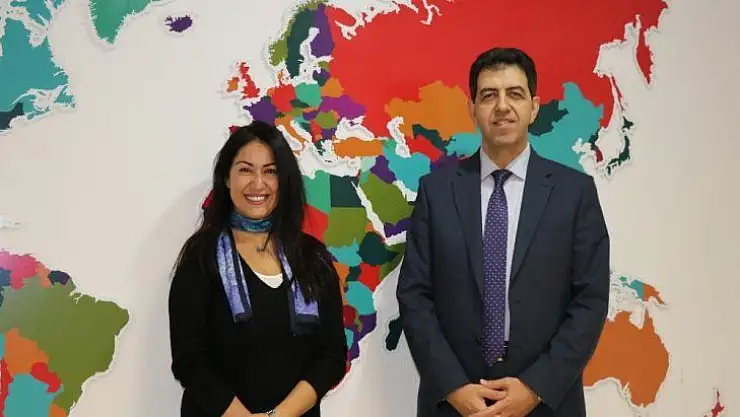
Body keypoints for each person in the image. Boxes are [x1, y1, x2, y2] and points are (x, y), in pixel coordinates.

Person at [396, 47, 610, 417]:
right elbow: (414, 294)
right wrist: (454, 387)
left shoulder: (574, 193)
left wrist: (535, 387)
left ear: (534, 106)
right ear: (472, 108)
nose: (502, 107)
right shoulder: (437, 192)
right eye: (489, 95)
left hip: (546, 403)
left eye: (515, 94)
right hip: (455, 403)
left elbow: (590, 300)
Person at [168, 121, 348, 417]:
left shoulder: (312, 257)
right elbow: (190, 359)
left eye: (270, 171)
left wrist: (279, 416)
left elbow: (331, 356)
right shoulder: (201, 257)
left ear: (283, 181)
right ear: (227, 178)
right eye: (245, 170)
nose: (258, 184)